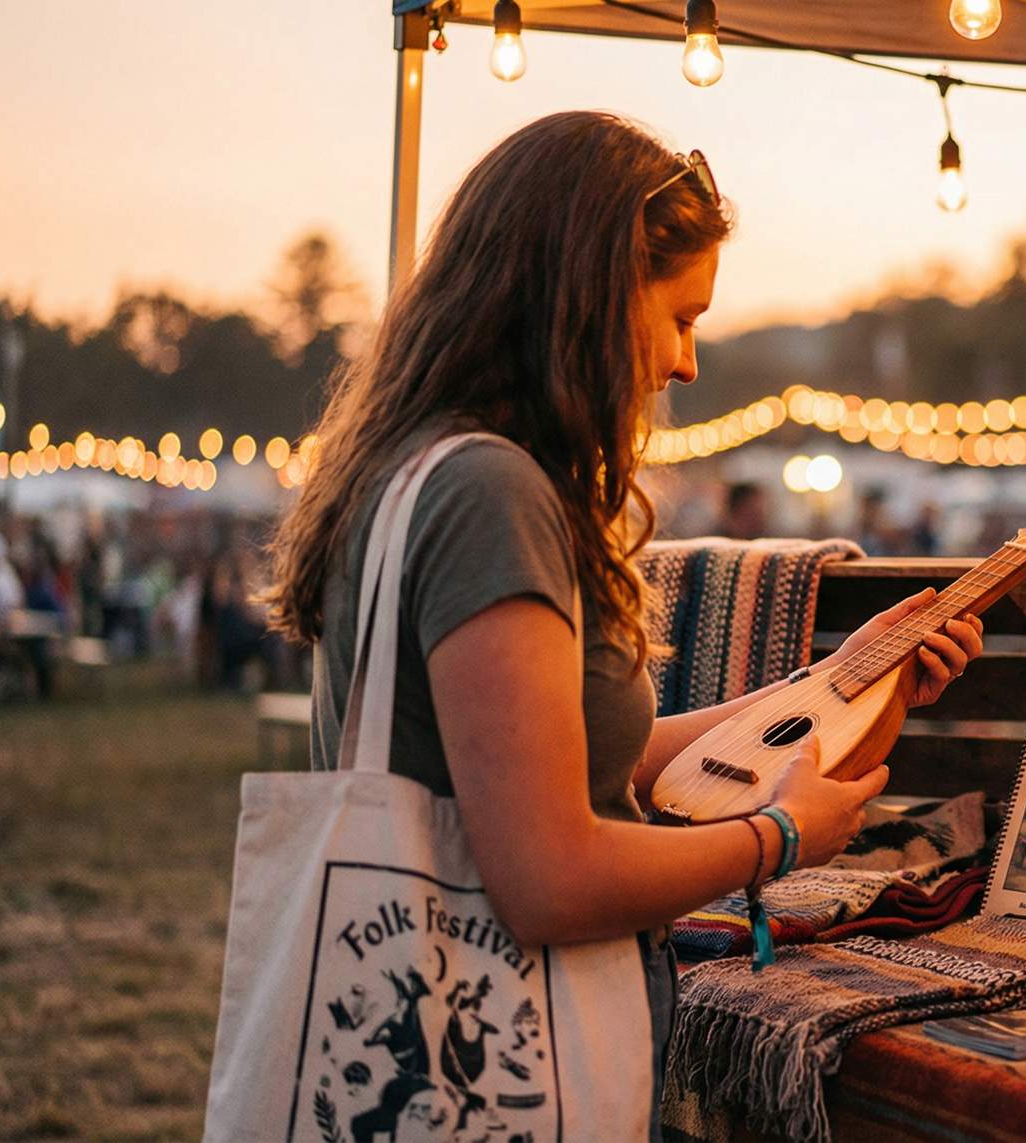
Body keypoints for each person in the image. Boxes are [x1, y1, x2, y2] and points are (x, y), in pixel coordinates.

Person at [263, 112, 983, 1116]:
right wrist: (778, 836)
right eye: (680, 317)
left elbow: (586, 764)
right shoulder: (487, 494)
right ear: (591, 298)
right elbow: (547, 875)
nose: (688, 365)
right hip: (490, 1064)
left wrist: (832, 680)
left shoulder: (421, 468)